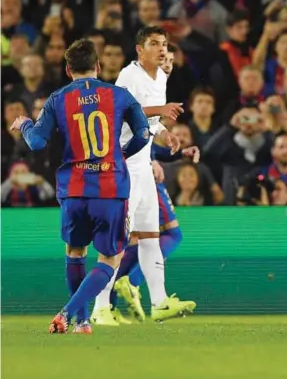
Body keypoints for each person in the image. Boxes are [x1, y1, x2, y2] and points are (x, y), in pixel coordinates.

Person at [10, 39, 151, 334]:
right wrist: (122, 153)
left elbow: (36, 143)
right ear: (98, 66)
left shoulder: (58, 98)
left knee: (75, 251)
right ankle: (69, 313)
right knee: (110, 258)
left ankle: (83, 322)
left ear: (67, 69)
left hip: (74, 188)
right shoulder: (120, 96)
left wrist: (24, 123)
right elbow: (143, 132)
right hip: (110, 186)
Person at [91, 26, 195, 324]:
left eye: (164, 44)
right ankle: (100, 309)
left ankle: (160, 302)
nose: (161, 49)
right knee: (118, 239)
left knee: (151, 236)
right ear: (140, 49)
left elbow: (146, 121)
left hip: (143, 164)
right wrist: (161, 110)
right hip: (123, 165)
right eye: (153, 44)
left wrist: (165, 133)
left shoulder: (160, 76)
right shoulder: (129, 75)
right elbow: (120, 112)